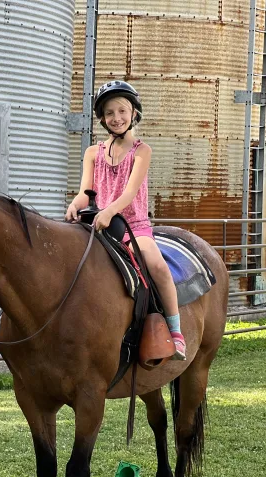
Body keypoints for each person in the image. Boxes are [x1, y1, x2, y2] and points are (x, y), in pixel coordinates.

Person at [65, 80, 185, 360]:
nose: (116, 118)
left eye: (122, 111)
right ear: (102, 118)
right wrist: (75, 203)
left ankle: (176, 331)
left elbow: (130, 193)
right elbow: (86, 191)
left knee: (157, 265)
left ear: (133, 113)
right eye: (109, 113)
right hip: (98, 223)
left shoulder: (142, 151)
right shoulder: (92, 153)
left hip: (131, 225)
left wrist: (109, 211)